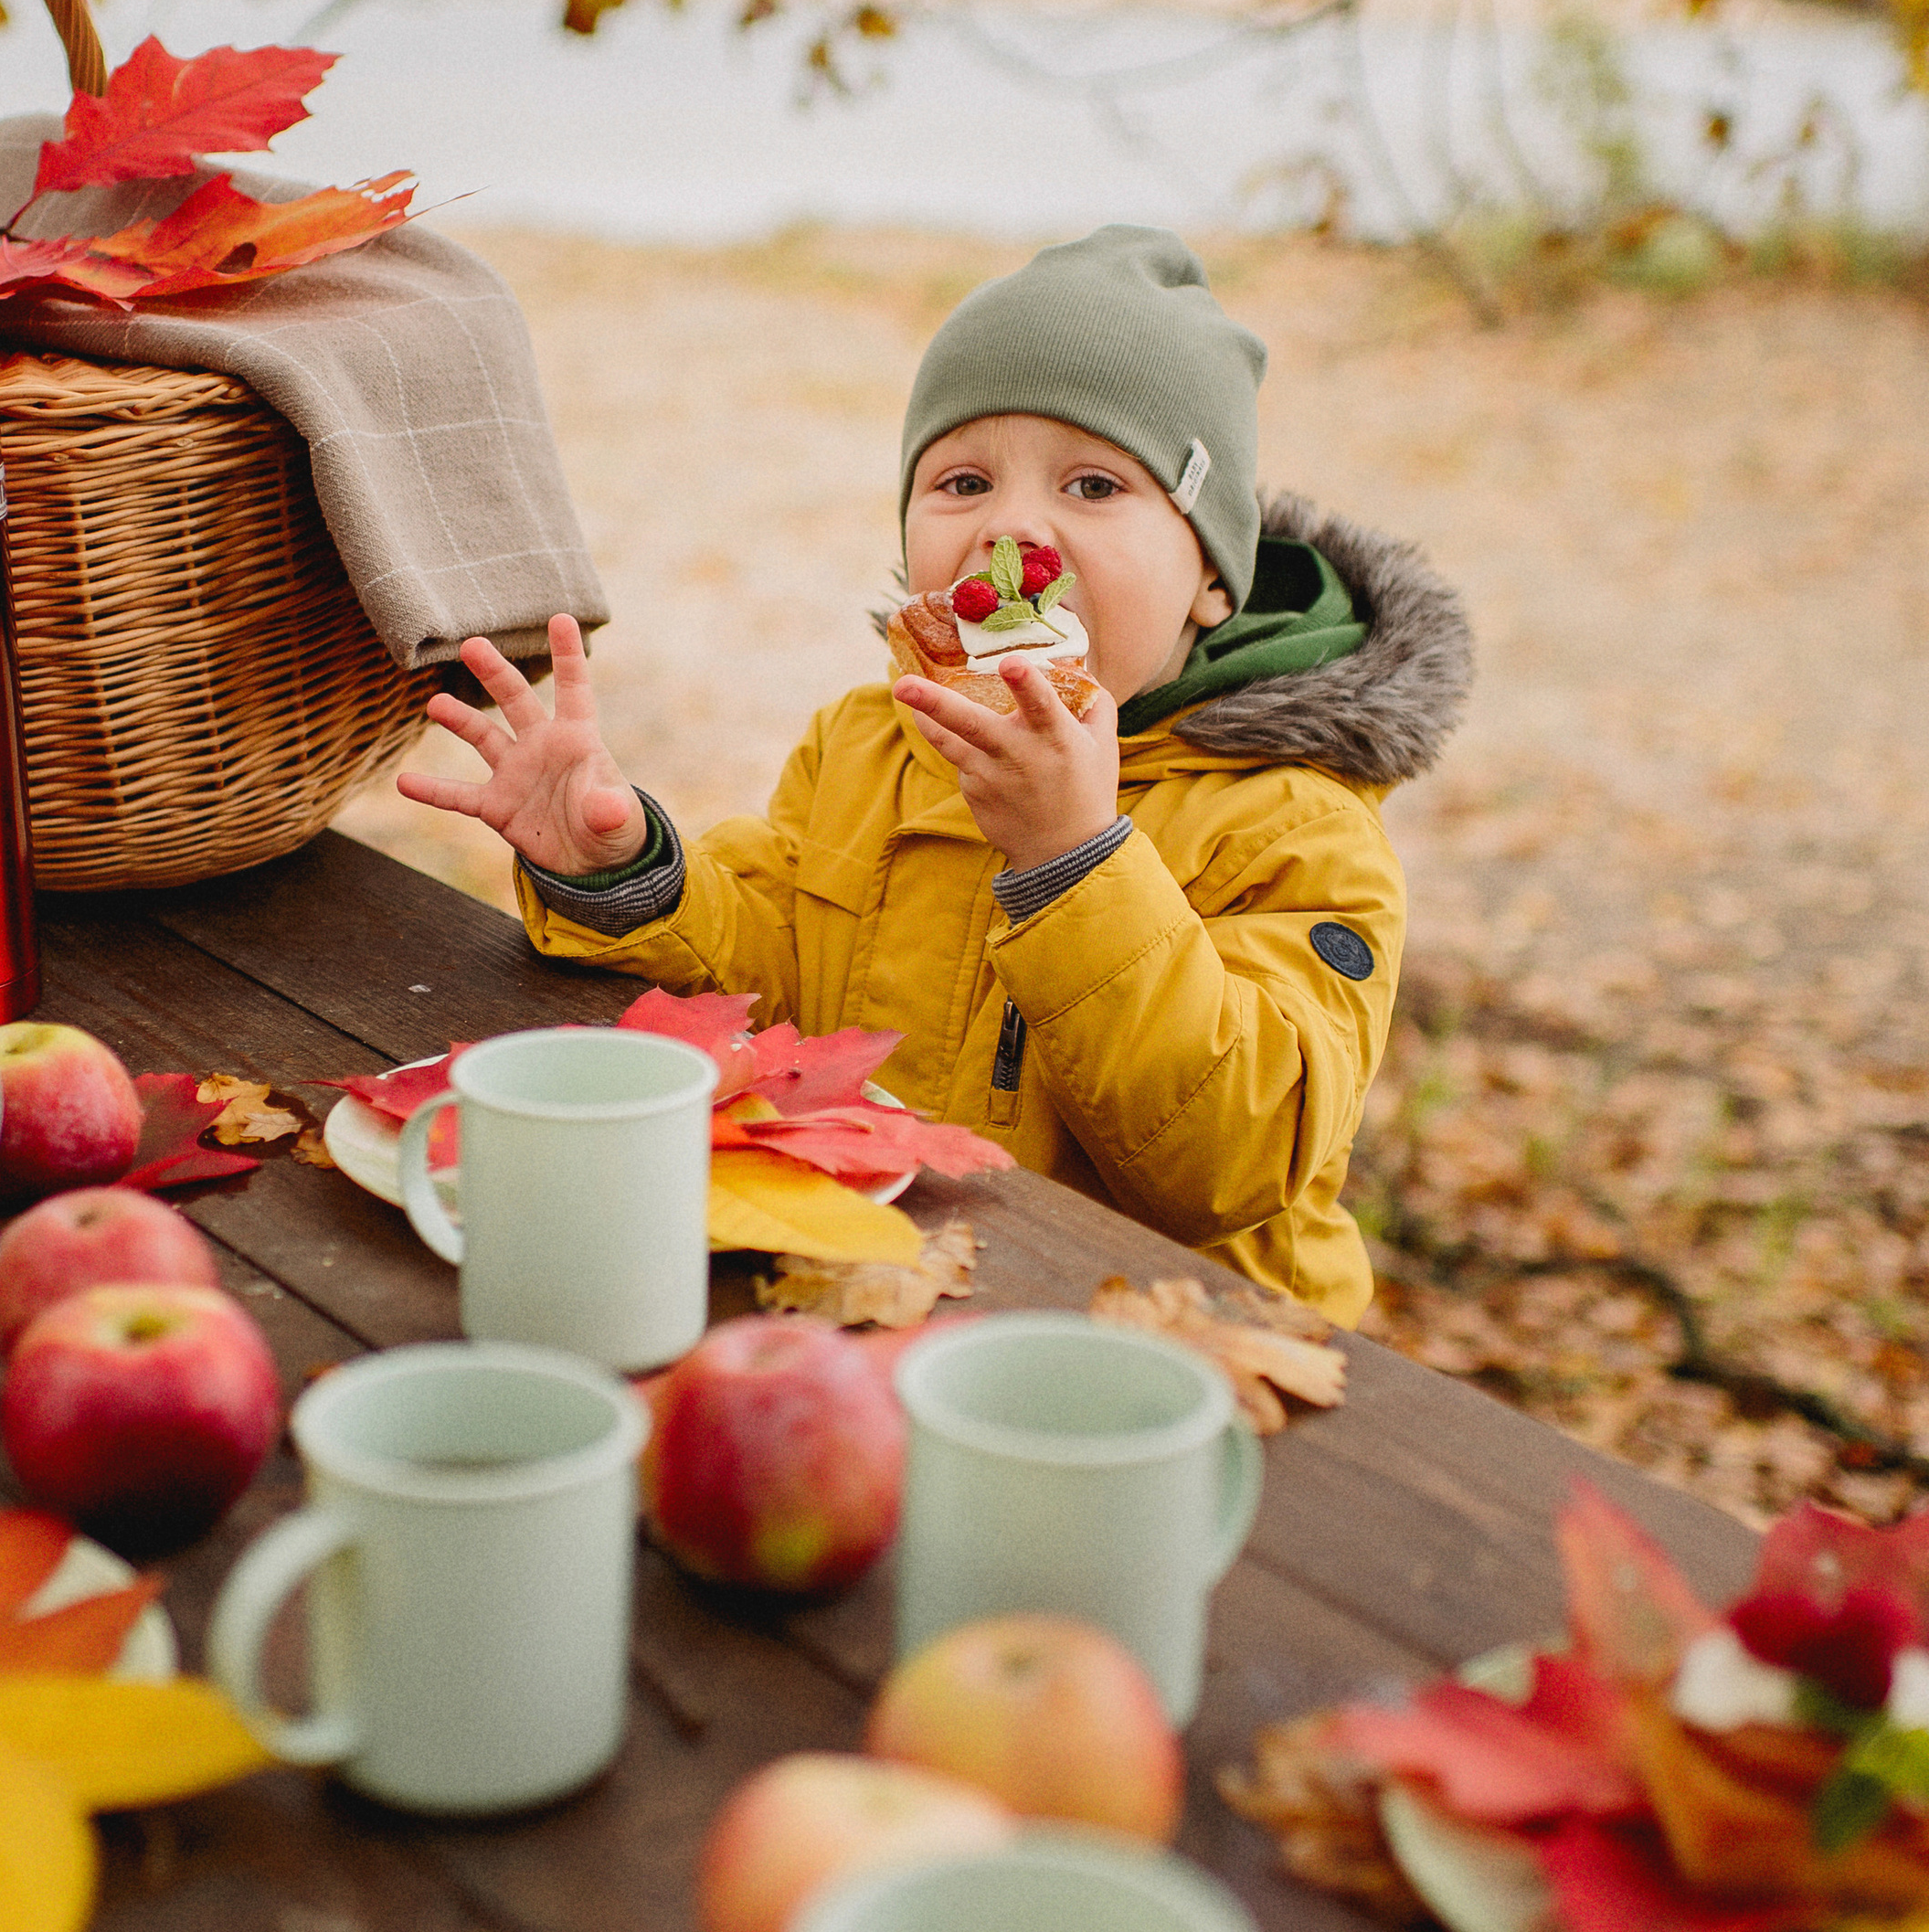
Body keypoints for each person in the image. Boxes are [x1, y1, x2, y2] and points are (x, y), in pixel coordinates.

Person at [396, 227, 1473, 1323]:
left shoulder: (1295, 824)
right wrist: (626, 871)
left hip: (1161, 1340)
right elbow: (760, 975)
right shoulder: (866, 743)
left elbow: (1231, 1161)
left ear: (1211, 579)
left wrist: (1073, 862)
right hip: (875, 1279)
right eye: (963, 481)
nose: (1013, 528)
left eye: (1094, 483)